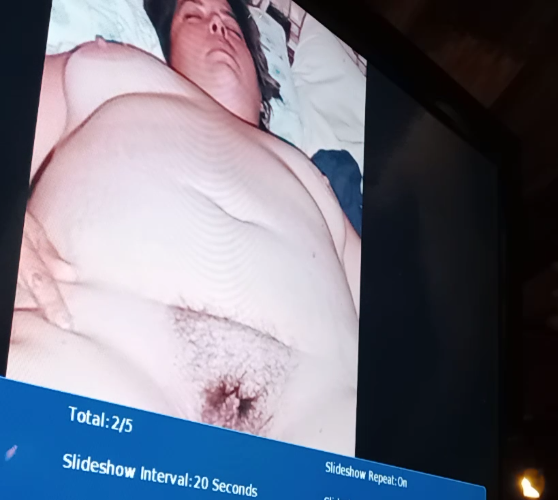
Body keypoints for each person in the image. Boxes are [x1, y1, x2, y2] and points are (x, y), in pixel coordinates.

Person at [12, 0, 361, 455]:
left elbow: (407, 344)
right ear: (166, 47)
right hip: (72, 412)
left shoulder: (315, 179)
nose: (217, 23)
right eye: (193, 16)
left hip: (329, 478)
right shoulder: (110, 69)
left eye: (230, 20)